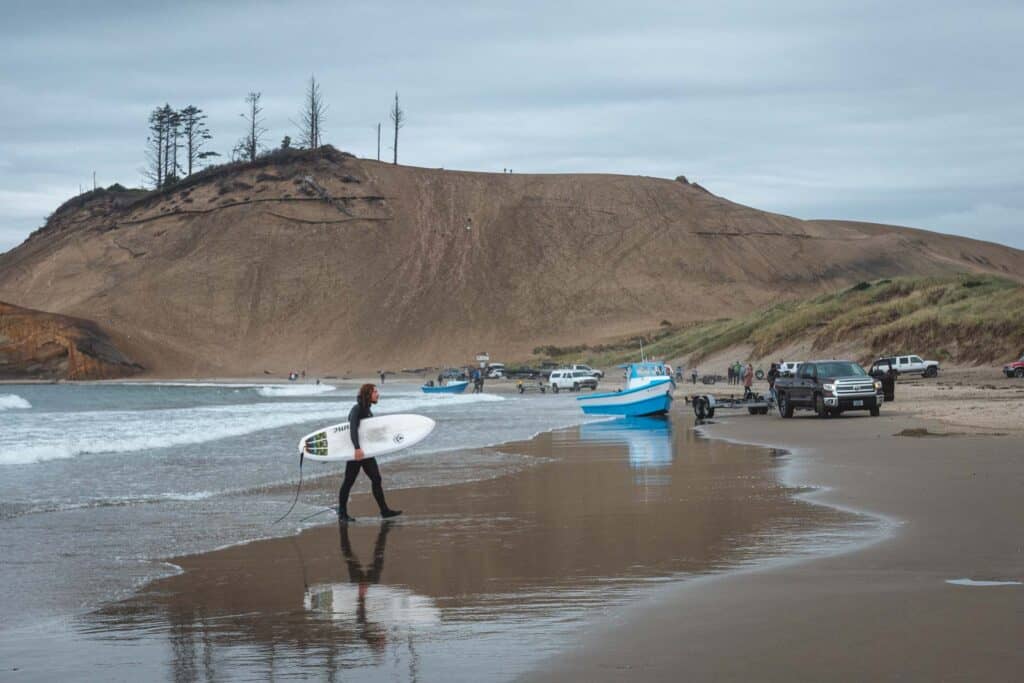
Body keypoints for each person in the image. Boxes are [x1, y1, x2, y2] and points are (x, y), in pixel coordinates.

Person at [337, 384, 402, 522]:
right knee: (349, 481)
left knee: (376, 479)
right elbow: (352, 429)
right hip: (358, 452)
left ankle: (384, 511)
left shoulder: (367, 410)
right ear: (368, 394)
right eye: (375, 392)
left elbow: (367, 432)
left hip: (366, 452)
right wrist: (356, 448)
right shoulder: (358, 409)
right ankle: (342, 513)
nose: (378, 394)